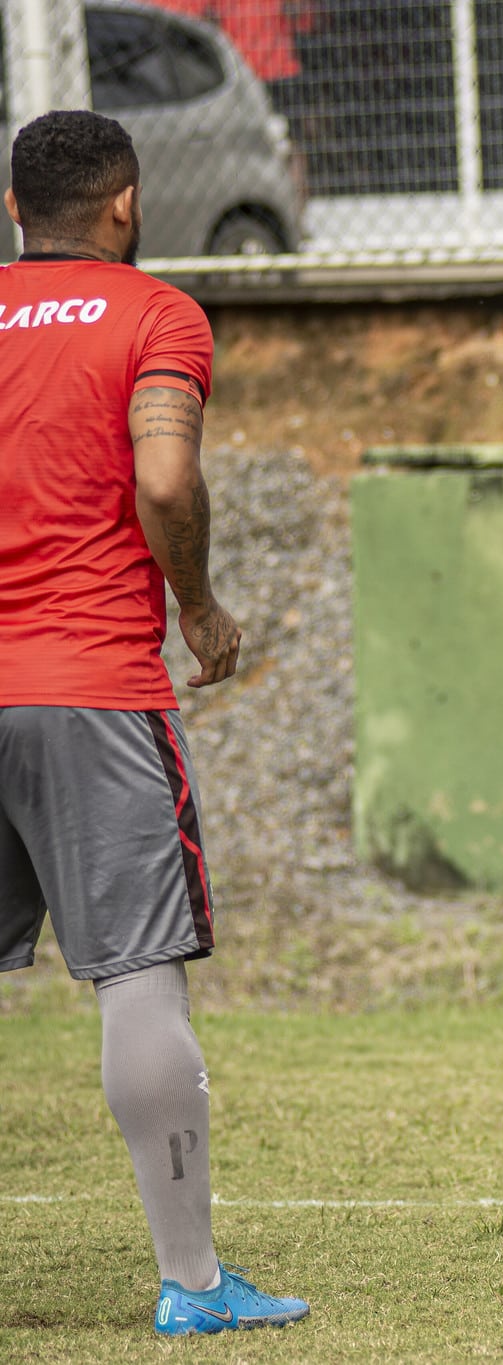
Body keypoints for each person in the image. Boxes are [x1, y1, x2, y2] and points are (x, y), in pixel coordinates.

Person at [0, 111, 309, 1336]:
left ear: (17, 206)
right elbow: (166, 477)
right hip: (85, 684)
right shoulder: (154, 314)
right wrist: (199, 604)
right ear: (124, 202)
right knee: (136, 975)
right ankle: (191, 1286)